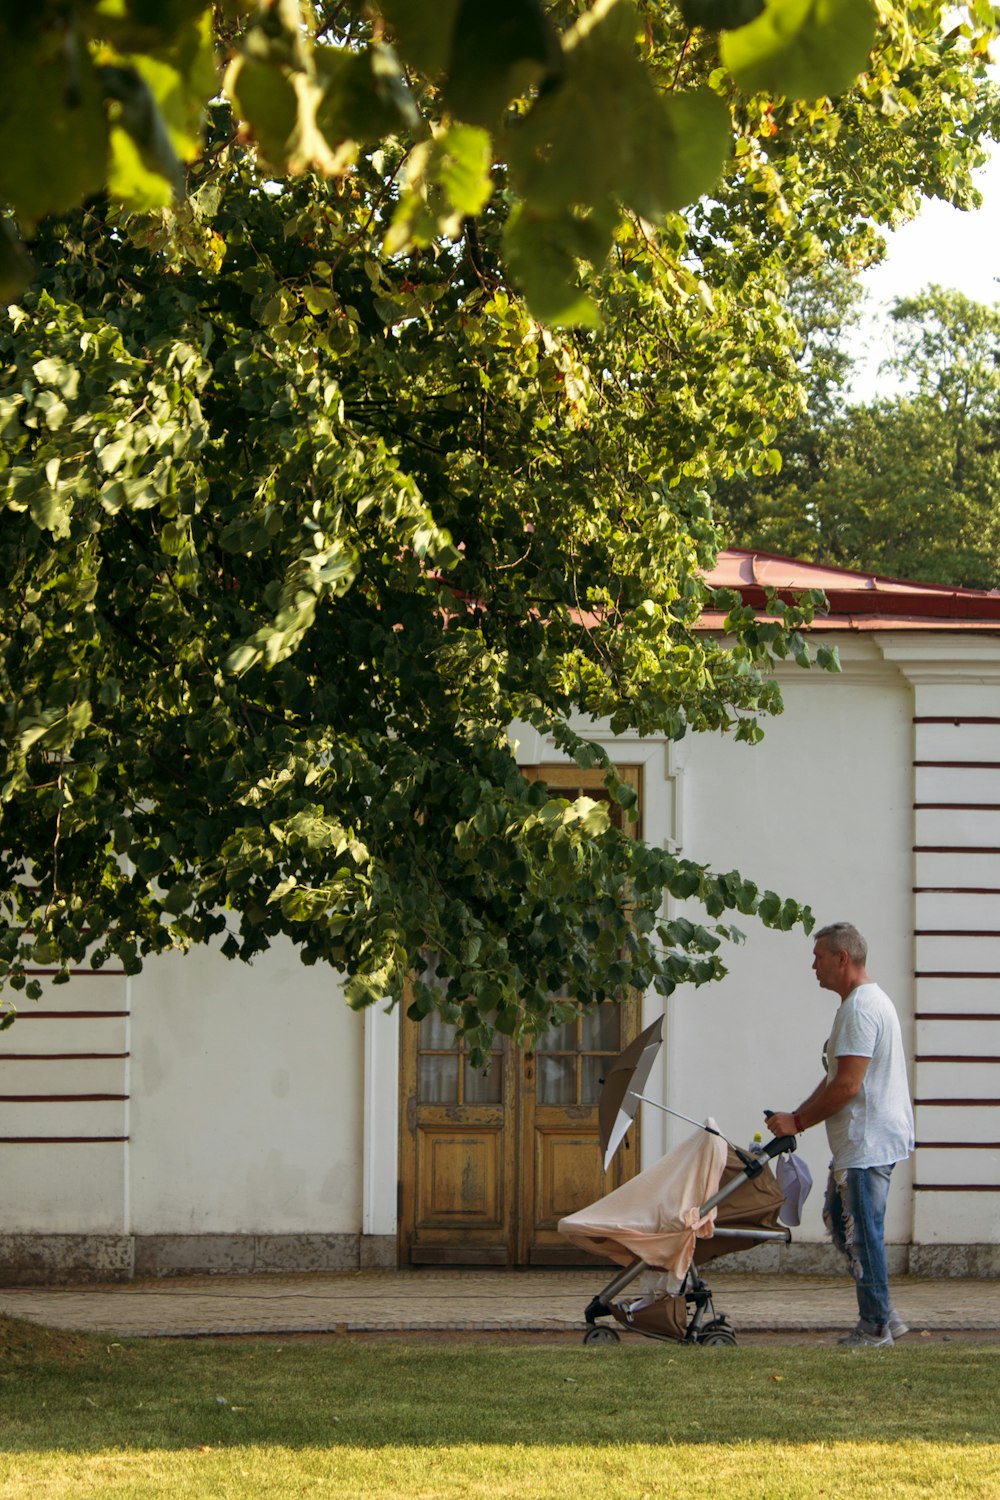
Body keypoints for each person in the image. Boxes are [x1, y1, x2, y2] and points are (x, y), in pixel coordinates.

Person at [767, 922, 915, 1348]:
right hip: (863, 1140)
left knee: (861, 1233)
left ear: (841, 958)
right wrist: (795, 1115)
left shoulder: (861, 1008)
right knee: (839, 1217)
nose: (813, 966)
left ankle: (874, 1328)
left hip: (867, 1141)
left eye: (818, 957)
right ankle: (884, 1313)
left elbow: (848, 1086)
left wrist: (797, 1123)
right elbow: (836, 1078)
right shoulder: (858, 1005)